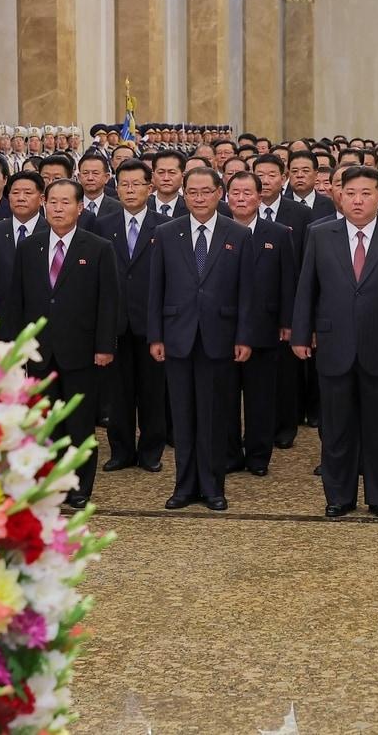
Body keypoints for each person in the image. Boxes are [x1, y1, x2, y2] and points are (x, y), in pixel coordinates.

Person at [292, 165, 378, 520]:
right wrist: (301, 334)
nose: (357, 200)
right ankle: (339, 496)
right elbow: (307, 289)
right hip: (334, 345)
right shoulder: (320, 234)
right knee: (336, 428)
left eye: (366, 193)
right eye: (350, 192)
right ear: (339, 195)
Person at [5, 178, 119, 509]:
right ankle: (49, 482)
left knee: (80, 423)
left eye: (65, 202)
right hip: (39, 352)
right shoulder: (29, 247)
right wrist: (17, 345)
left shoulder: (98, 247)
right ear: (44, 204)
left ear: (79, 208)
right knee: (44, 424)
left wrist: (104, 346)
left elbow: (108, 301)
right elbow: (17, 299)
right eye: (52, 201)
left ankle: (80, 487)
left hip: (82, 352)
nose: (58, 208)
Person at [148, 169, 254, 512]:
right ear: (184, 194)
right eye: (191, 192)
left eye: (205, 192)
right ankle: (184, 486)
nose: (198, 198)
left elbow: (246, 292)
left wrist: (243, 336)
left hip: (219, 338)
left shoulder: (237, 234)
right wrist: (156, 336)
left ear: (219, 193)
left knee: (213, 415)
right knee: (182, 415)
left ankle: (212, 486)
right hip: (177, 336)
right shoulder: (166, 233)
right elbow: (156, 290)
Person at [225, 170, 297, 476]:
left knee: (261, 397)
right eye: (235, 193)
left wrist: (287, 321)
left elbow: (287, 280)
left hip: (266, 327)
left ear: (260, 196)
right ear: (227, 198)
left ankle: (257, 456)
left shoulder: (278, 233)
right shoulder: (218, 231)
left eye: (247, 193)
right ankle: (229, 454)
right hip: (224, 327)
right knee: (226, 396)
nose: (241, 198)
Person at [100, 159, 169, 472]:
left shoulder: (165, 228)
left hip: (151, 322)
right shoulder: (102, 225)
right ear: (116, 188)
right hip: (115, 322)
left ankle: (151, 451)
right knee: (118, 392)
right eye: (124, 184)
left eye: (137, 184)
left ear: (149, 188)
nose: (130, 190)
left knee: (153, 392)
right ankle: (121, 450)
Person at [0, 170, 47, 331]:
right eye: (15, 192)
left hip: (43, 324)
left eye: (28, 193)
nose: (20, 198)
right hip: (0, 324)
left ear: (41, 199)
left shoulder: (52, 232)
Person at [78, 153, 123, 221]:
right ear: (79, 177)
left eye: (95, 173)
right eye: (85, 173)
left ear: (106, 177)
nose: (90, 178)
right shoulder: (71, 206)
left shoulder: (119, 208)